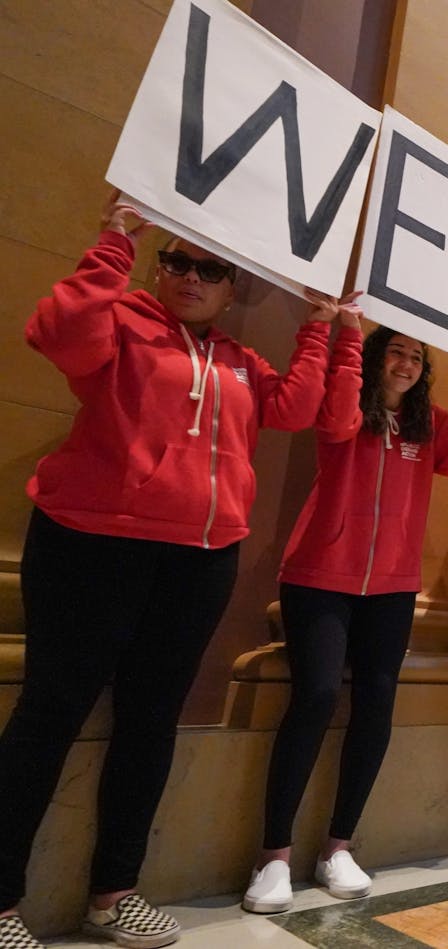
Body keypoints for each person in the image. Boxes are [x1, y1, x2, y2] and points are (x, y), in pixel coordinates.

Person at [0, 193, 339, 949]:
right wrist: (116, 237)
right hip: (92, 546)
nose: (191, 276)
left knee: (151, 722)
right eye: (177, 262)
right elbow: (54, 332)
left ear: (229, 288)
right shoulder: (119, 324)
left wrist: (320, 325)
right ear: (160, 269)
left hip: (199, 559)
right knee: (50, 712)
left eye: (210, 269)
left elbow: (297, 406)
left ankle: (113, 893)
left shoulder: (238, 361)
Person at [242, 328, 448, 913]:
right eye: (396, 352)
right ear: (373, 358)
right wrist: (344, 346)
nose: (407, 364)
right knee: (313, 698)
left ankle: (338, 846)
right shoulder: (347, 406)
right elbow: (336, 419)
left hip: (390, 588)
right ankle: (273, 855)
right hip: (318, 577)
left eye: (417, 357)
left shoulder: (428, 423)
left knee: (376, 706)